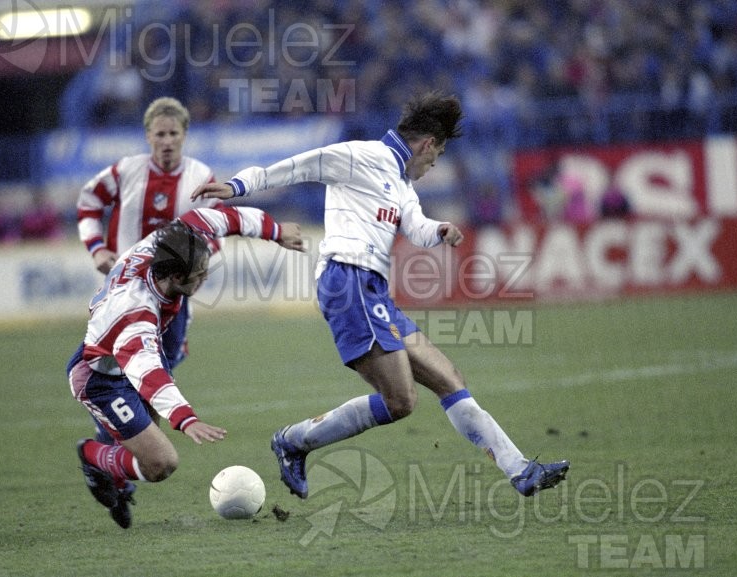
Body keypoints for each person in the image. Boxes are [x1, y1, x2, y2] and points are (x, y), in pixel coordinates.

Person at [193, 91, 569, 499]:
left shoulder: (403, 187)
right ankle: (293, 441)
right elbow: (294, 168)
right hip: (345, 280)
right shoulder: (361, 155)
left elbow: (418, 226)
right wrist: (237, 185)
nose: (432, 165)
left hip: (372, 289)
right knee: (400, 400)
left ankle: (521, 471)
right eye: (436, 156)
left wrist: (440, 230)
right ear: (426, 145)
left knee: (448, 379)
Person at [68, 205, 304, 528]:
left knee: (145, 432)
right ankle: (94, 459)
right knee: (161, 463)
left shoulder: (172, 241)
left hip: (126, 358)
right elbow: (149, 374)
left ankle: (114, 472)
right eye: (199, 276)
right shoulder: (135, 314)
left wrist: (275, 231)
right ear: (176, 277)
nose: (205, 278)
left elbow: (222, 217)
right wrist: (186, 418)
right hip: (100, 377)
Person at [77, 96, 218, 371]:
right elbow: (88, 202)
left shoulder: (201, 176)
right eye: (160, 134)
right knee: (116, 367)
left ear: (184, 135)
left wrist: (199, 261)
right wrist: (97, 248)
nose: (167, 141)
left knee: (163, 365)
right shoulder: (126, 170)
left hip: (173, 291)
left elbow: (217, 227)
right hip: (125, 289)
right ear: (148, 136)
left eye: (173, 133)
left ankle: (147, 414)